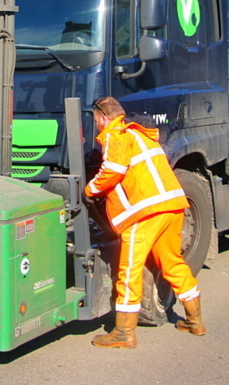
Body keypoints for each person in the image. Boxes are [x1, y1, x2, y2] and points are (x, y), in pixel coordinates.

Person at [83, 96, 204, 349]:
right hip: (171, 205)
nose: (96, 125)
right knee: (172, 262)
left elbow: (113, 170)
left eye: (95, 119)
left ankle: (124, 332)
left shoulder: (115, 135)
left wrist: (90, 189)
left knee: (129, 269)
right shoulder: (140, 135)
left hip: (145, 211)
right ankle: (195, 320)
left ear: (103, 117)